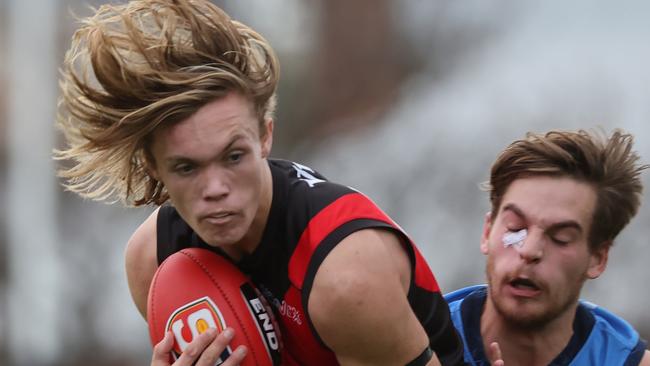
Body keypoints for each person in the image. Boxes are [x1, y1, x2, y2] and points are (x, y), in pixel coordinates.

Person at [55, 1, 466, 365]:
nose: (215, 187)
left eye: (233, 157)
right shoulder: (153, 260)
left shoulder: (343, 278)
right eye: (186, 168)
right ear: (153, 167)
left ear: (266, 136)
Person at [444, 129, 650, 365]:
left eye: (561, 237)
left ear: (597, 258)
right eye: (515, 227)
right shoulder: (415, 339)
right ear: (487, 232)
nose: (529, 250)